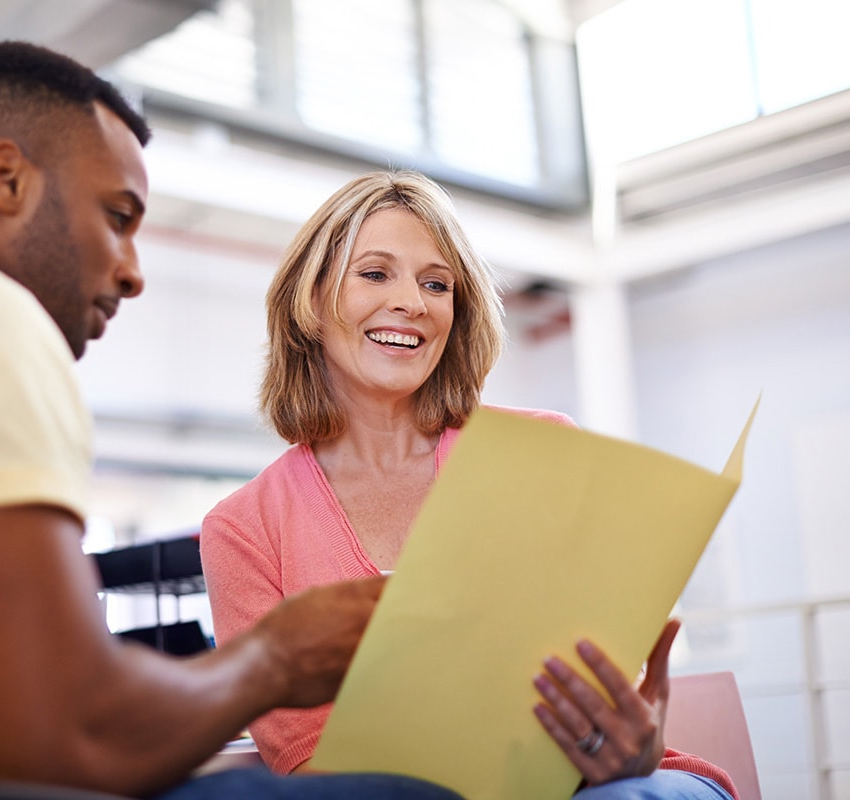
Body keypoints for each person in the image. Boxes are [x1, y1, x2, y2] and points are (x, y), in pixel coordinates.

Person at [0, 43, 462, 800]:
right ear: (7, 180)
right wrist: (273, 659)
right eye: (117, 217)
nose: (134, 270)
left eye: (437, 283)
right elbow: (67, 736)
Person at [200, 170, 741, 800]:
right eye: (375, 273)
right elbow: (310, 766)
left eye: (437, 284)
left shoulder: (542, 449)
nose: (413, 302)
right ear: (311, 299)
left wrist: (635, 745)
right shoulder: (243, 530)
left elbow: (624, 653)